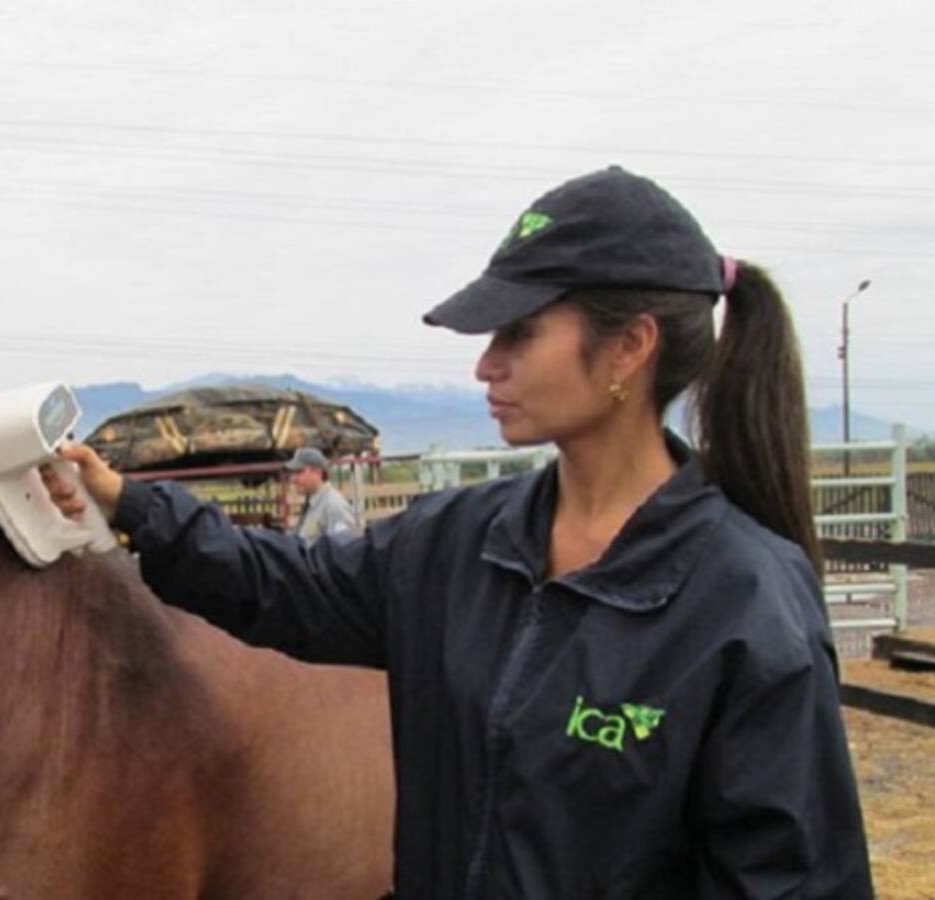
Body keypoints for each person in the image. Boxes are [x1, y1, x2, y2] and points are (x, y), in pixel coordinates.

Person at [46, 166, 873, 898]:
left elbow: (789, 877)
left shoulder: (743, 601)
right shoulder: (456, 542)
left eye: (519, 332)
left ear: (629, 348)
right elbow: (282, 584)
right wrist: (128, 503)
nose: (486, 364)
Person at [284, 446, 360, 545]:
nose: (293, 479)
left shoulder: (333, 506)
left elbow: (346, 551)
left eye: (299, 472)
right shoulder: (313, 503)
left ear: (317, 472)